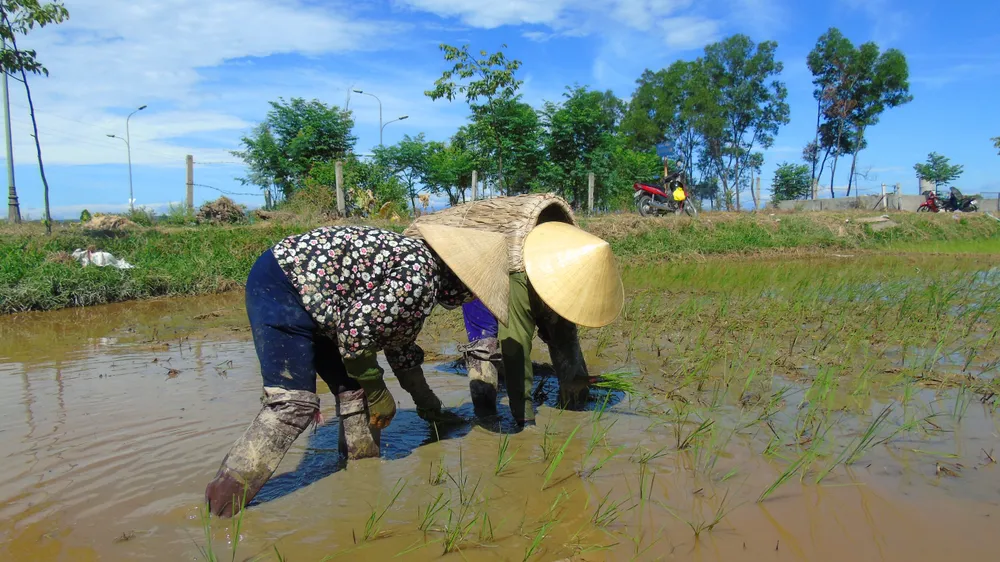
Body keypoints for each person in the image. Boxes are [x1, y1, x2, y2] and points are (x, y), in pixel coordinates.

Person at [204, 224, 509, 517]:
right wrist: (379, 392)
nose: (468, 299)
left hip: (321, 303)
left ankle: (360, 485)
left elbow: (400, 349)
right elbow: (355, 333)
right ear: (459, 277)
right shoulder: (419, 278)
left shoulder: (422, 269)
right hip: (285, 285)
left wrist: (430, 407)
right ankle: (220, 510)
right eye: (472, 290)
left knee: (355, 396)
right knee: (293, 406)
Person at [405, 194, 624, 426]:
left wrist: (578, 384)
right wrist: (524, 417)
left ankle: (576, 402)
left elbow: (565, 340)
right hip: (485, 278)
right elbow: (515, 349)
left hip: (533, 267)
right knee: (484, 349)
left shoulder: (565, 270)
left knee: (564, 337)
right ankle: (486, 416)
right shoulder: (518, 282)